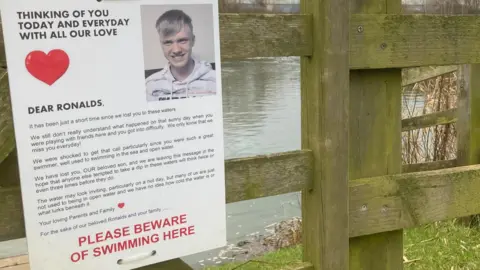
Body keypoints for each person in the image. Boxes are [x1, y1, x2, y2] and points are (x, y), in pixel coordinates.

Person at [146, 9, 216, 101]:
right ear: (161, 45)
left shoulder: (215, 80)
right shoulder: (149, 86)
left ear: (193, 41)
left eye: (182, 40)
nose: (176, 50)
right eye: (168, 42)